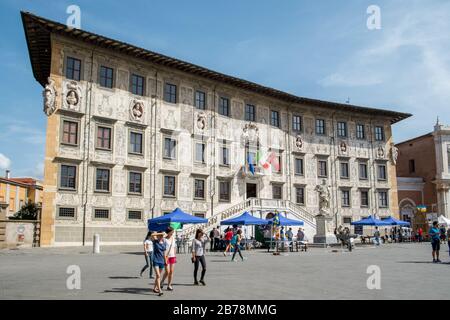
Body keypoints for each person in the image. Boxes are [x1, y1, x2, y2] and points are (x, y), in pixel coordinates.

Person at [151, 231, 167, 296]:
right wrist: (160, 233)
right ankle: (160, 290)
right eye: (159, 236)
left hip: (162, 261)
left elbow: (164, 253)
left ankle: (154, 288)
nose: (160, 237)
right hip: (155, 260)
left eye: (161, 236)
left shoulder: (164, 243)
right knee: (158, 275)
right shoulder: (155, 242)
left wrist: (165, 261)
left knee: (158, 276)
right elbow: (152, 234)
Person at [161, 226, 176, 291]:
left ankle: (169, 285)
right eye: (172, 231)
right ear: (168, 232)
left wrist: (175, 255)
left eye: (173, 231)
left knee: (171, 271)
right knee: (167, 271)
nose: (172, 233)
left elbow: (174, 247)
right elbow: (163, 249)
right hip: (166, 257)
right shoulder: (164, 239)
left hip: (172, 256)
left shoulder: (173, 239)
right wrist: (164, 258)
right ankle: (162, 281)